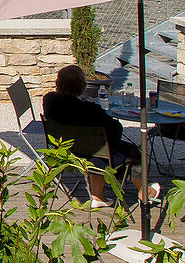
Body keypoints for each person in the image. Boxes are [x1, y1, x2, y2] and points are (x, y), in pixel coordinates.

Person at [42, 64, 160, 207]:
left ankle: (98, 197)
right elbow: (115, 132)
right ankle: (144, 190)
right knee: (132, 151)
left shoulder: (49, 101)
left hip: (67, 153)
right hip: (94, 155)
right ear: (82, 86)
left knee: (95, 149)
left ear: (58, 83)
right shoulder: (90, 110)